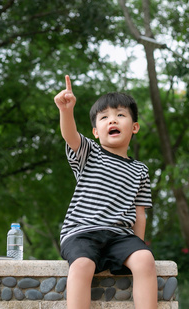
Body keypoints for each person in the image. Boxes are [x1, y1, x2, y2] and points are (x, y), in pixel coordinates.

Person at [54, 75, 157, 309]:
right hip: (81, 232)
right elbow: (70, 135)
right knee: (82, 265)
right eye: (104, 117)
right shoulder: (90, 153)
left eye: (120, 115)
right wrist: (66, 111)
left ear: (134, 127)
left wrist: (137, 247)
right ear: (96, 132)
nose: (113, 120)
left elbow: (139, 213)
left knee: (145, 259)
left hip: (119, 236)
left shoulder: (140, 170)